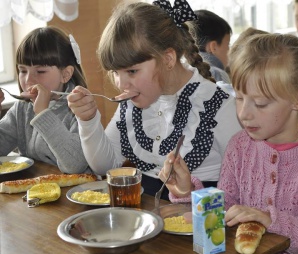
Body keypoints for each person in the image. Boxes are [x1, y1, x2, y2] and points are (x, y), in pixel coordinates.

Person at [161, 33, 298, 254]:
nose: (244, 114)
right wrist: (187, 192)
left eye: (261, 103)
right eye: (240, 98)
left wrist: (272, 221)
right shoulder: (240, 146)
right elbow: (228, 211)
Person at [67, 0, 242, 200]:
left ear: (168, 59)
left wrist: (190, 194)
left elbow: (245, 190)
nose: (121, 83)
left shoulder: (220, 106)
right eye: (115, 72)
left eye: (132, 71)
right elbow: (106, 166)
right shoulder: (134, 102)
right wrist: (88, 121)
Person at [0, 26, 90, 174]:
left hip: (74, 192)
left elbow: (76, 165)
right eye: (22, 71)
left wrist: (43, 114)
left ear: (65, 74)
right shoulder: (22, 109)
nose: (28, 80)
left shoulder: (81, 109)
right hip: (36, 191)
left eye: (40, 71)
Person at [188, 9, 232, 83]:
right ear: (213, 47)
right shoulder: (218, 74)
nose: (229, 50)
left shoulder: (186, 69)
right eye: (228, 45)